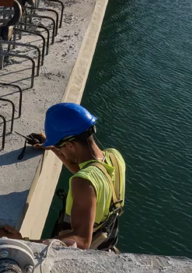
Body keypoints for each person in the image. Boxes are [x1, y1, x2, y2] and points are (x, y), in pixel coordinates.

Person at [28, 103, 125, 251]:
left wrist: (23, 242)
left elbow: (81, 241)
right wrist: (54, 147)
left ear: (70, 145)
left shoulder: (83, 182)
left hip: (85, 254)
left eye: (61, 147)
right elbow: (92, 174)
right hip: (106, 243)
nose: (61, 151)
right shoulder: (115, 157)